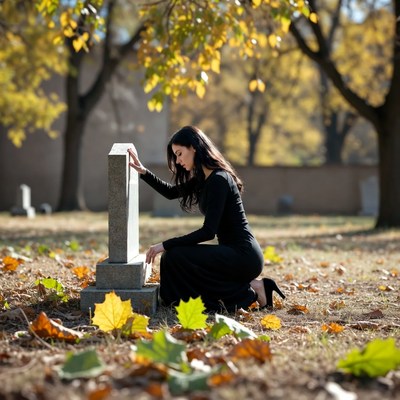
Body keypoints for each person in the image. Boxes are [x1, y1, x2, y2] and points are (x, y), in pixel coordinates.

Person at [128, 125, 285, 312]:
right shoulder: (204, 178)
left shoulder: (219, 179)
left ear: (193, 147)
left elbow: (208, 231)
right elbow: (171, 192)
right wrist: (143, 172)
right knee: (173, 257)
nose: (177, 161)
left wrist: (165, 244)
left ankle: (249, 291)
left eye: (179, 154)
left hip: (244, 255)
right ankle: (177, 301)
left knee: (174, 254)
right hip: (230, 252)